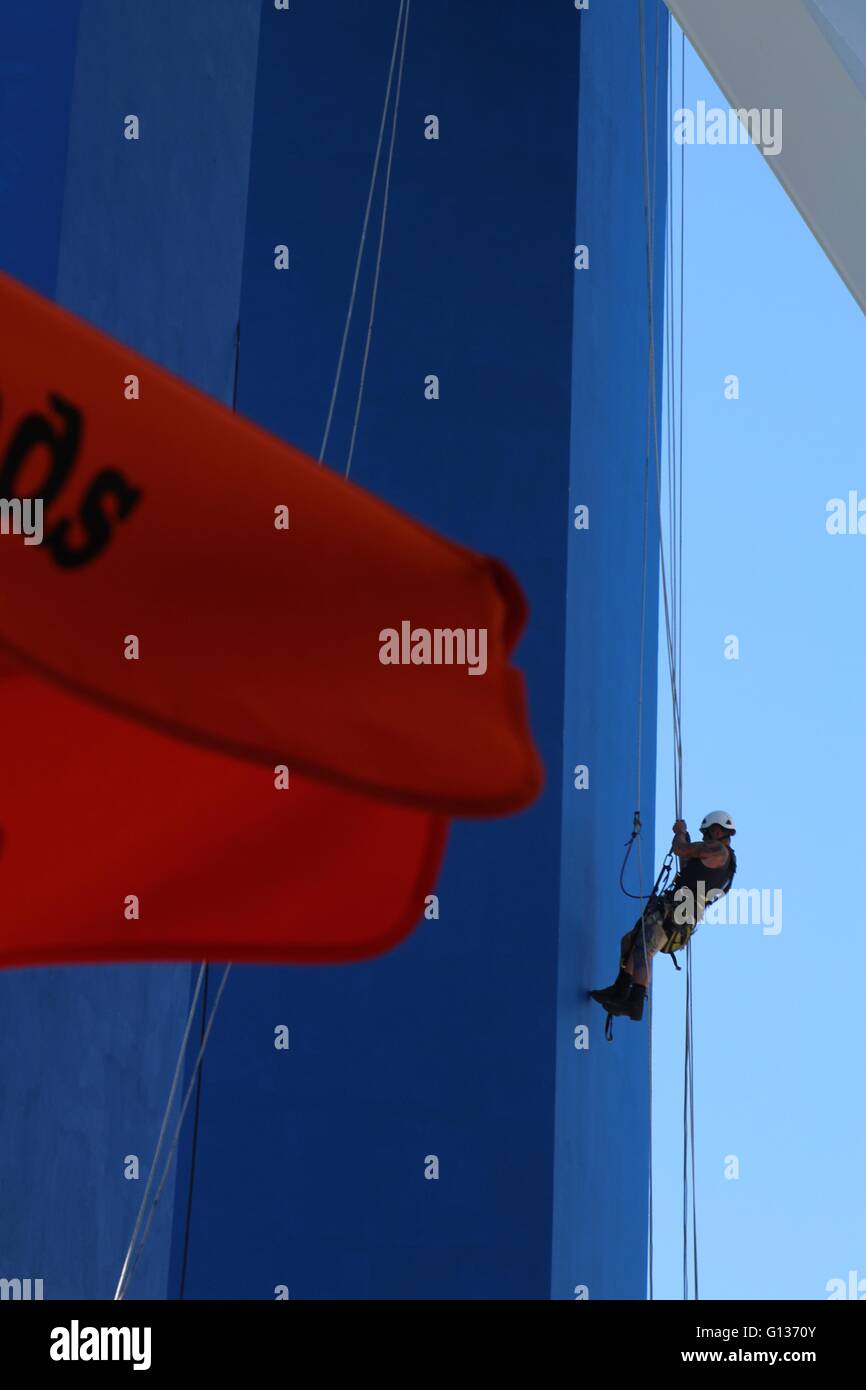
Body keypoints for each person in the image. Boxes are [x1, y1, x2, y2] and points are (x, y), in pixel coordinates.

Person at [591, 811, 737, 1024]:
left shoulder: (718, 850)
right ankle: (621, 989)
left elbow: (680, 849)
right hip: (682, 911)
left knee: (644, 948)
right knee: (630, 941)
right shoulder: (724, 863)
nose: (705, 839)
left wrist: (679, 833)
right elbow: (687, 864)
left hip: (679, 911)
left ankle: (635, 1002)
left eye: (706, 834)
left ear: (716, 830)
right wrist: (685, 842)